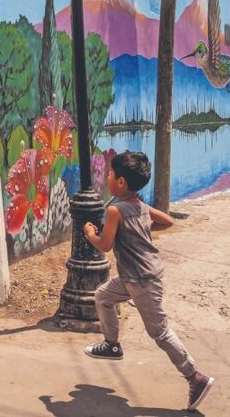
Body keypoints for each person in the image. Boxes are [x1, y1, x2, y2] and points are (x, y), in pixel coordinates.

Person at [82, 150, 214, 412]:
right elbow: (167, 220)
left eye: (110, 174)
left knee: (160, 332)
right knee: (103, 296)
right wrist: (142, 228)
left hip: (141, 280)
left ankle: (195, 377)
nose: (107, 177)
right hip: (134, 277)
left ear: (120, 182)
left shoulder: (115, 210)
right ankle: (112, 344)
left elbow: (105, 246)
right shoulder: (140, 206)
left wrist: (89, 233)